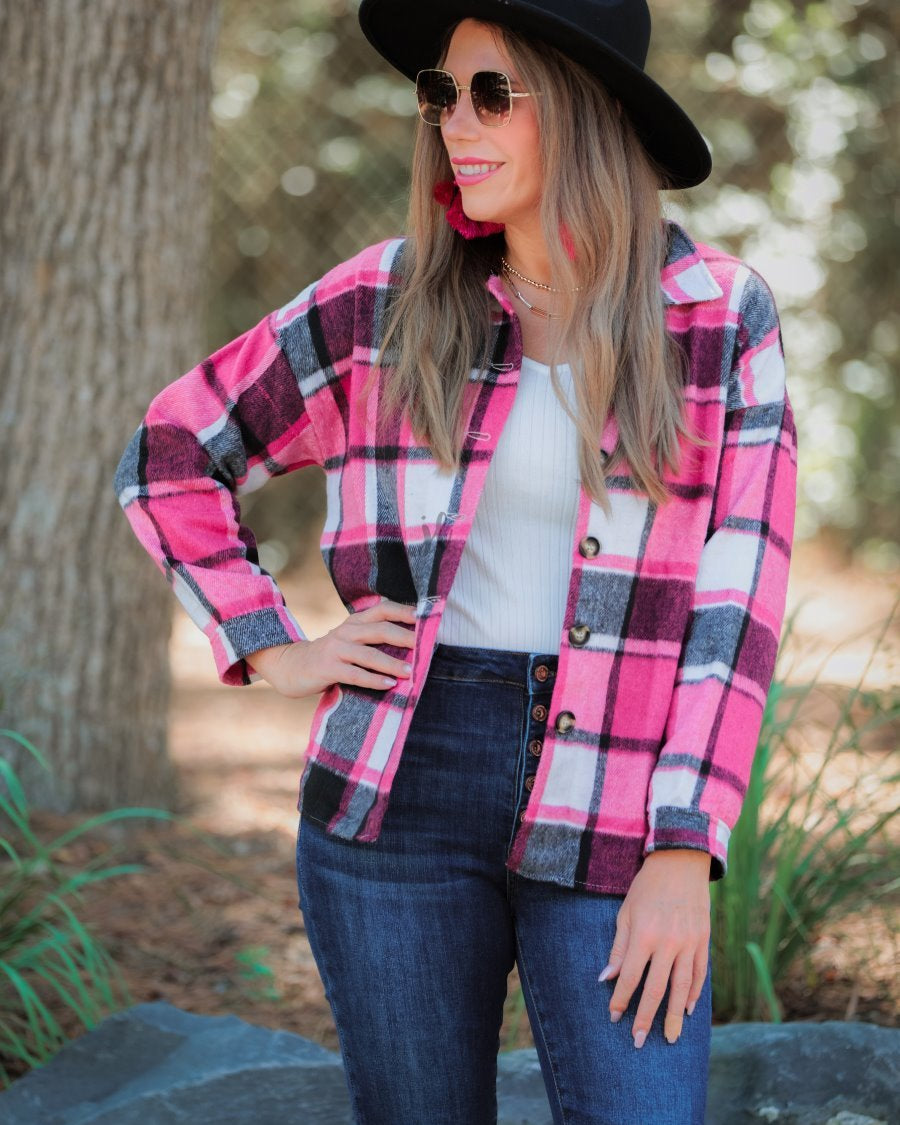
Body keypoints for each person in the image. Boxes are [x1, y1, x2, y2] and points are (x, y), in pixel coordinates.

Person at [112, 1, 798, 1122]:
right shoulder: (380, 304)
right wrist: (272, 646)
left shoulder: (718, 315)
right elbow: (171, 453)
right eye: (440, 94)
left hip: (620, 793)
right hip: (400, 782)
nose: (452, 125)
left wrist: (685, 850)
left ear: (585, 111)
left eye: (490, 95)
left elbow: (739, 601)